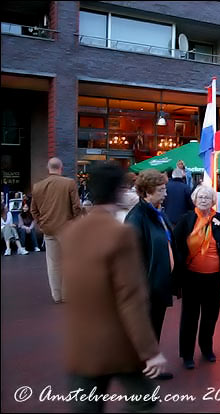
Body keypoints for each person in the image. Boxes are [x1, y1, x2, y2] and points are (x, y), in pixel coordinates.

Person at [61, 161, 167, 412]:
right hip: (118, 344)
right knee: (144, 402)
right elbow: (131, 297)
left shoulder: (72, 232)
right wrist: (150, 350)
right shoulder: (120, 234)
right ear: (119, 191)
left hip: (81, 345)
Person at [125, 169, 176, 380]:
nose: (165, 193)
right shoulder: (137, 217)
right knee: (147, 329)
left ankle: (149, 367)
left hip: (160, 282)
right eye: (161, 189)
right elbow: (131, 257)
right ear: (147, 192)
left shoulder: (157, 213)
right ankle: (142, 370)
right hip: (148, 285)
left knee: (155, 327)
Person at [174, 185, 220, 368]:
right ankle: (187, 355)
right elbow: (177, 244)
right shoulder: (186, 219)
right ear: (195, 200)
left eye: (207, 197)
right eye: (201, 197)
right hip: (192, 276)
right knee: (190, 316)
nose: (204, 200)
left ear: (213, 201)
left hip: (214, 277)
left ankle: (206, 348)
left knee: (210, 315)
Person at [30, 157, 82, 304]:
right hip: (67, 228)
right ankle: (66, 294)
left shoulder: (38, 186)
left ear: (48, 168)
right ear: (61, 168)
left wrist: (41, 222)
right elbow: (76, 207)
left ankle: (56, 295)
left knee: (53, 263)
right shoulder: (69, 183)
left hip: (48, 229)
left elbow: (33, 210)